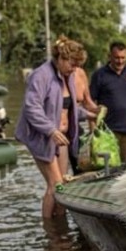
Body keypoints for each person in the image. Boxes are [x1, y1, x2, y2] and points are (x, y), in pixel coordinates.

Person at [15, 36, 86, 218]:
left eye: (77, 65)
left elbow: (68, 107)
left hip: (61, 138)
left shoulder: (67, 76)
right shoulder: (41, 75)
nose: (75, 69)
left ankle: (61, 222)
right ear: (61, 59)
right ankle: (50, 229)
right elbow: (31, 107)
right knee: (55, 186)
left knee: (63, 185)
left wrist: (92, 114)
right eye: (72, 64)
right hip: (43, 137)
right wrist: (51, 130)